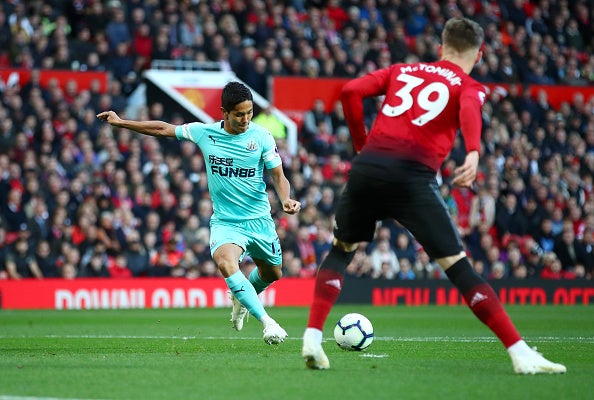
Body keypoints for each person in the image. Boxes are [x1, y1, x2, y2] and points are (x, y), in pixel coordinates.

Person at [301, 17, 566, 374]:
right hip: (412, 177)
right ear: (479, 54)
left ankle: (313, 338)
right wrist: (473, 152)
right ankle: (520, 354)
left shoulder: (402, 69)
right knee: (458, 267)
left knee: (341, 250)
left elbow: (350, 92)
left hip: (367, 169)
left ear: (441, 48)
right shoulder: (469, 84)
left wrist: (362, 146)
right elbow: (470, 111)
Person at [98, 81, 301, 345]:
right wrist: (122, 122)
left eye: (249, 112)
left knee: (273, 274)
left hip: (259, 219)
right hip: (227, 223)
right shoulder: (205, 133)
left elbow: (278, 175)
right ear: (224, 112)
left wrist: (286, 199)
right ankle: (267, 322)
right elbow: (162, 129)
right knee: (227, 263)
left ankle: (241, 298)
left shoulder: (261, 136)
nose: (246, 119)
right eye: (239, 114)